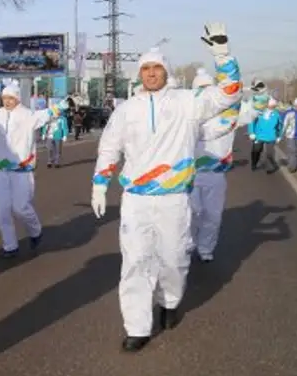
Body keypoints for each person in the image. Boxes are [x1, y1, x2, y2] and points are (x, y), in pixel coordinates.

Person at [91, 23, 244, 352]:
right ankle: (137, 326)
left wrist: (222, 54)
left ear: (166, 71)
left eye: (156, 68)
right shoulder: (126, 109)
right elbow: (109, 147)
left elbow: (229, 93)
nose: (150, 73)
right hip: (136, 199)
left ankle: (169, 300)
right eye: (145, 68)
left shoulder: (188, 102)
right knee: (135, 261)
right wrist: (100, 184)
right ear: (139, 73)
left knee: (173, 259)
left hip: (174, 198)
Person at [0, 81, 66, 258]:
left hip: (22, 171)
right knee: (2, 211)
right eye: (5, 98)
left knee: (21, 208)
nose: (7, 101)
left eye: (11, 98)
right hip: (2, 171)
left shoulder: (28, 115)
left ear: (17, 99)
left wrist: (62, 106)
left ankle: (35, 230)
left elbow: (47, 114)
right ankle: (10, 246)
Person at [190, 69, 259, 263]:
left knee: (213, 216)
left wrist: (259, 95)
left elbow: (252, 112)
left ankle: (205, 248)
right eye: (200, 89)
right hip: (189, 175)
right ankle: (190, 244)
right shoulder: (187, 116)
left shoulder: (228, 116)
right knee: (192, 214)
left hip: (216, 175)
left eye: (207, 88)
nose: (205, 93)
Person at [248, 94, 282, 173]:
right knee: (256, 150)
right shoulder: (259, 112)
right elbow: (251, 122)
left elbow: (279, 126)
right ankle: (254, 163)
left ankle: (272, 167)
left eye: (273, 106)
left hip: (271, 137)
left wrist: (279, 136)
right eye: (270, 106)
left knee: (269, 154)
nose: (271, 107)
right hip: (259, 136)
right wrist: (251, 132)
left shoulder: (276, 114)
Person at [282, 97, 297, 172]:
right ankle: (292, 167)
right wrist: (281, 134)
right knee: (292, 151)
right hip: (290, 135)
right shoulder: (289, 112)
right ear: (294, 105)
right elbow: (284, 123)